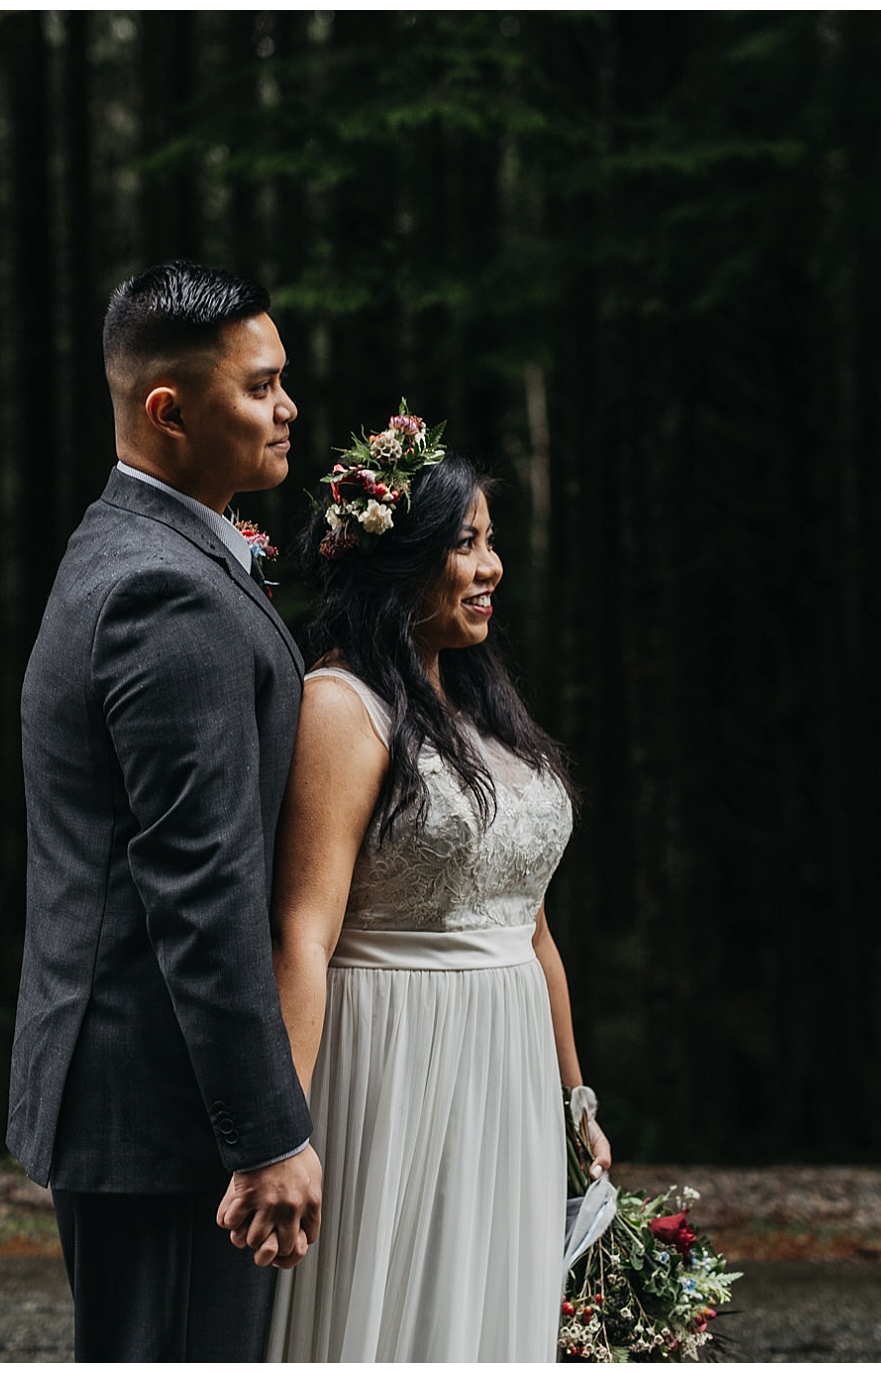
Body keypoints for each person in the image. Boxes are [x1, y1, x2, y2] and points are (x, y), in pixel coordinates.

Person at [8, 260, 324, 1362]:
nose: (288, 408)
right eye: (261, 386)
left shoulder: (140, 543)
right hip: (163, 1113)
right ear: (168, 409)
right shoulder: (164, 592)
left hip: (138, 1095)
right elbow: (199, 889)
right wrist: (266, 1130)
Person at [265, 422, 612, 1361]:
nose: (491, 565)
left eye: (491, 540)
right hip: (392, 1058)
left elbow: (532, 930)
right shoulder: (341, 707)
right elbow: (303, 930)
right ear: (399, 563)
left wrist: (573, 1099)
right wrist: (281, 1130)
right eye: (466, 542)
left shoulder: (486, 709)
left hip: (507, 1063)